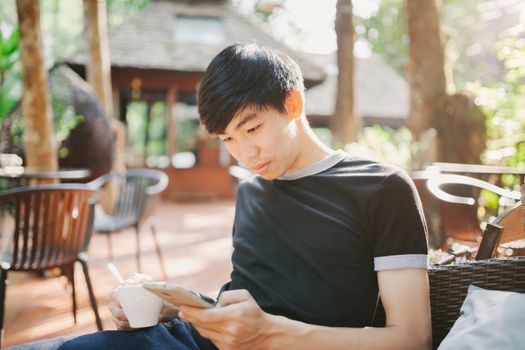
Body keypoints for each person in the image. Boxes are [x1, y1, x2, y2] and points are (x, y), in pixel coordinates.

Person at [9, 43, 431, 350]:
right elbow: (248, 300)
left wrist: (269, 334)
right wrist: (173, 306)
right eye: (228, 138)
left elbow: (412, 338)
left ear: (294, 104)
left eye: (252, 129)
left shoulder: (381, 187)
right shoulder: (250, 191)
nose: (246, 153)